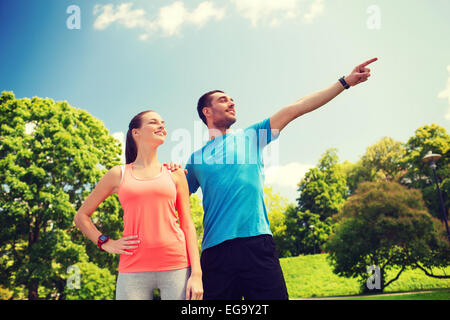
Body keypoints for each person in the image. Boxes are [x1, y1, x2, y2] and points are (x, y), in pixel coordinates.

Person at [185, 58, 378, 300]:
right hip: (216, 252)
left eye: (232, 99)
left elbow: (295, 108)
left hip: (257, 243)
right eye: (223, 99)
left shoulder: (251, 136)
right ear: (207, 111)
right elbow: (171, 198)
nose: (232, 102)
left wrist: (344, 82)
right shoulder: (195, 159)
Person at [74, 110, 203, 300]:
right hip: (132, 268)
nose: (162, 126)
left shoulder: (175, 174)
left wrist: (197, 274)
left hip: (176, 265)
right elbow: (81, 217)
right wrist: (105, 243)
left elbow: (187, 224)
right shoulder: (118, 174)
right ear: (136, 132)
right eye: (153, 122)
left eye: (163, 123)